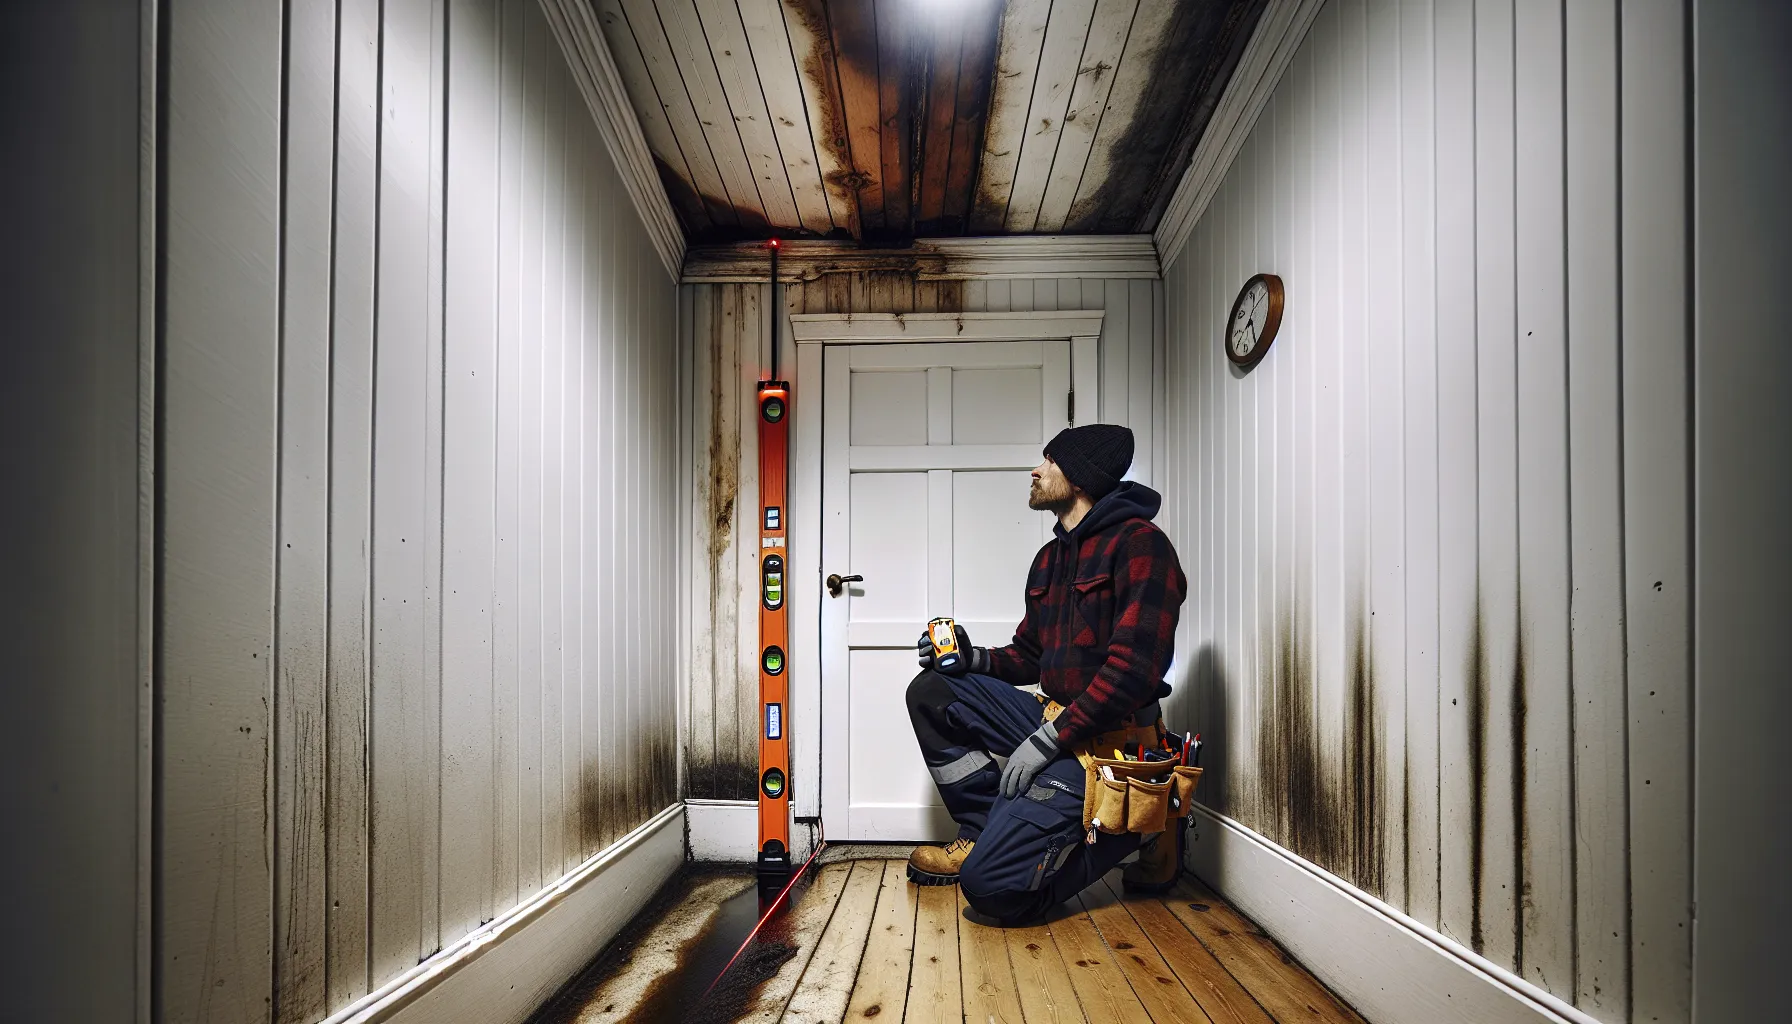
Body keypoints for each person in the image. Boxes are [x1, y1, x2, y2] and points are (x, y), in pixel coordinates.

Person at [904, 423, 1188, 924]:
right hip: (1057, 722)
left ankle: (1140, 825)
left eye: (1049, 462)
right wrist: (972, 660)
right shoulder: (1050, 559)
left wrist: (1050, 739)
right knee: (933, 690)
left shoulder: (1142, 547)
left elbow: (1134, 672)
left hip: (1110, 743)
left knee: (989, 890)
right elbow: (1030, 655)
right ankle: (981, 830)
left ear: (1079, 477)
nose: (1036, 471)